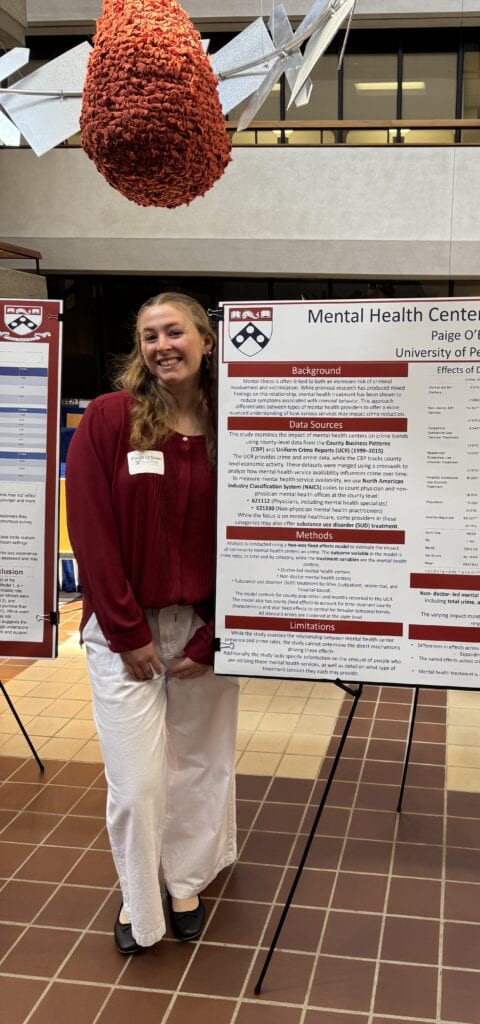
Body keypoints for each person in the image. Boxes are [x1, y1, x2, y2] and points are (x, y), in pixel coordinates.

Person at [66, 293, 239, 954]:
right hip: (123, 632)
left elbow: (249, 538)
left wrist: (213, 635)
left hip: (204, 629)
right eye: (148, 336)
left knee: (199, 767)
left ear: (204, 338)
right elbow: (93, 530)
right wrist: (127, 632)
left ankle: (186, 879)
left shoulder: (233, 425)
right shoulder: (113, 420)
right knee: (137, 785)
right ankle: (140, 904)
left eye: (174, 332)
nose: (161, 345)